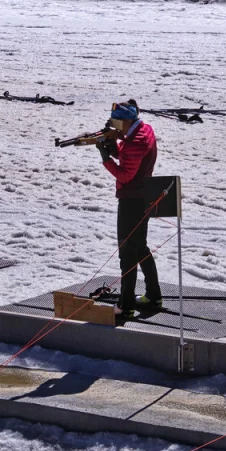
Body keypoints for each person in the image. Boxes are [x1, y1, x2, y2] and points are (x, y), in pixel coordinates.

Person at [97, 100, 162, 318]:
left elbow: (125, 174)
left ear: (126, 121)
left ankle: (125, 306)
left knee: (127, 253)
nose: (115, 126)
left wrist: (106, 157)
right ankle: (153, 295)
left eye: (116, 122)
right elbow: (127, 155)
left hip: (132, 200)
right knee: (140, 247)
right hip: (144, 196)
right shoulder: (144, 129)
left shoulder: (136, 141)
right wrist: (113, 144)